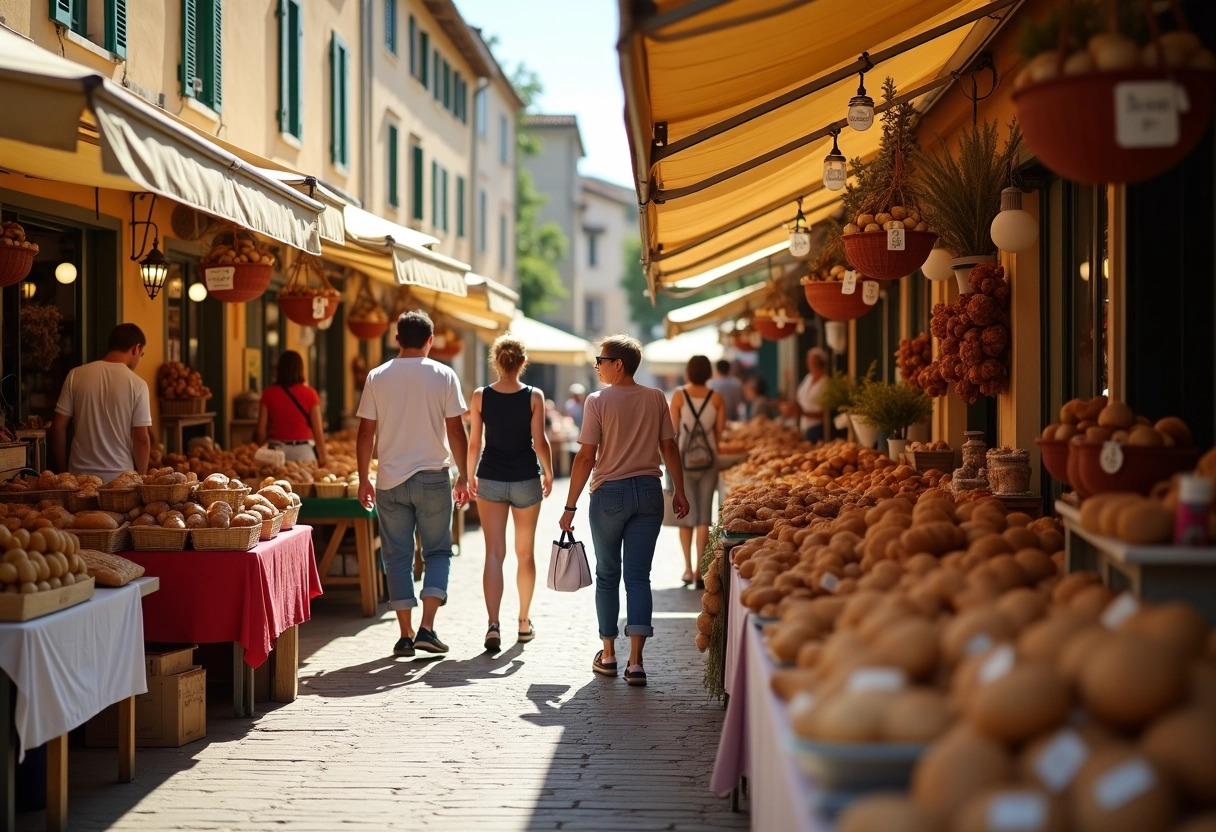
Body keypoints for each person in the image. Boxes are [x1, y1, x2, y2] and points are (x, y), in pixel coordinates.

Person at [560, 335, 689, 687]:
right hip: (649, 493)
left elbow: (586, 456)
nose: (597, 365)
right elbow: (670, 448)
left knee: (607, 575)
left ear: (618, 364)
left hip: (609, 495)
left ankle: (608, 654)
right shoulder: (656, 397)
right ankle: (636, 663)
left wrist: (569, 505)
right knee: (638, 577)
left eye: (600, 359)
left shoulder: (597, 401)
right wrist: (679, 490)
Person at [356, 311, 470, 658]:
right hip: (434, 477)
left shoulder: (377, 376)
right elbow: (455, 430)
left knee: (396, 557)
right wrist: (465, 474)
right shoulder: (444, 374)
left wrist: (364, 478)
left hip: (390, 480)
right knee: (437, 551)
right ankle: (427, 628)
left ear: (396, 340)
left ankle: (405, 635)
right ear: (430, 340)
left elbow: (365, 432)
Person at [466, 335, 555, 653]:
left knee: (494, 553)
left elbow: (474, 442)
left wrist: (467, 475)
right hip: (525, 480)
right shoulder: (534, 396)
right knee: (525, 554)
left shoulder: (480, 396)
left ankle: (493, 625)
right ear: (523, 363)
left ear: (496, 362)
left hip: (489, 477)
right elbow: (540, 440)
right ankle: (523, 621)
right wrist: (549, 470)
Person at [50, 323, 152, 481]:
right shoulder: (138, 385)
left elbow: (57, 427)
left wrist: (63, 472)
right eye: (141, 354)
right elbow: (141, 439)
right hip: (120, 480)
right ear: (136, 349)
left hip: (79, 479)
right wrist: (142, 476)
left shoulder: (75, 375)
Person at [669, 355, 725, 590]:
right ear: (709, 373)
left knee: (685, 513)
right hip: (709, 460)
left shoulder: (679, 396)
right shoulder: (717, 398)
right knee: (704, 515)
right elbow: (719, 432)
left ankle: (687, 568)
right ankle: (702, 572)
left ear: (689, 372)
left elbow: (671, 431)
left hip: (682, 461)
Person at [255, 350, 328, 466]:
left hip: (276, 453)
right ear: (300, 369)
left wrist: (261, 450)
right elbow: (318, 431)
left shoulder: (268, 394)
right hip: (303, 452)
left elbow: (261, 430)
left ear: (279, 369)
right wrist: (323, 457)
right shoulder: (310, 394)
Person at [795, 347, 830, 442]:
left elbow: (825, 413)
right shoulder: (808, 378)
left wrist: (801, 412)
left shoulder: (826, 382)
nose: (810, 364)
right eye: (809, 361)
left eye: (813, 361)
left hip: (817, 428)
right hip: (804, 426)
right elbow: (800, 398)